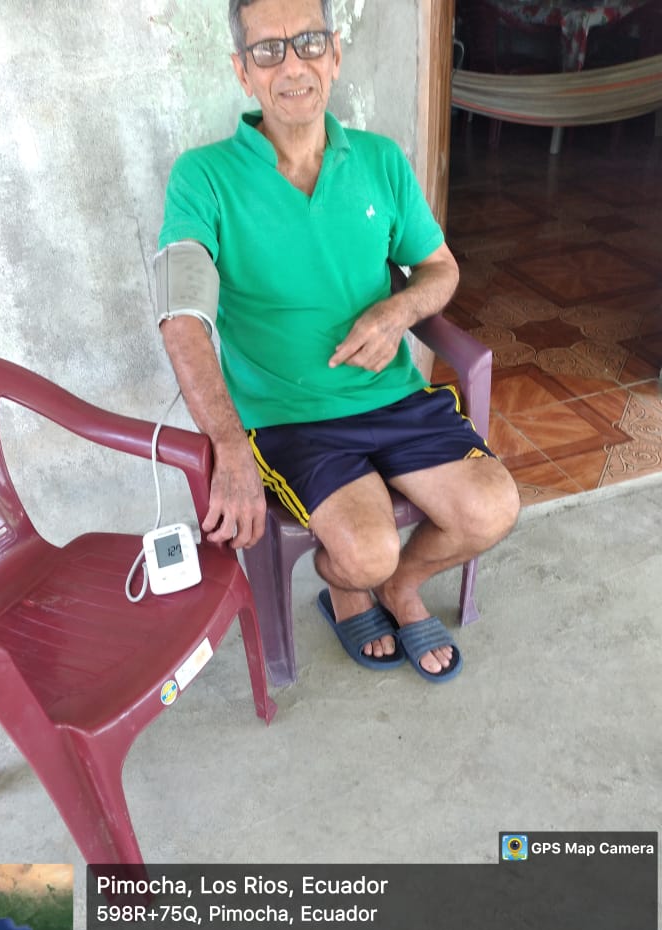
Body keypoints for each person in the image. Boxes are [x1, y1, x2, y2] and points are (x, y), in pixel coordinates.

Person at [156, 0, 520, 682]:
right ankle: (351, 585)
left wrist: (398, 312)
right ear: (242, 72)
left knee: (494, 508)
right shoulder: (202, 177)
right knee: (365, 550)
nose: (292, 65)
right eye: (268, 51)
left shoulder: (381, 160)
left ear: (335, 55)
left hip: (394, 397)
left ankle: (400, 587)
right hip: (290, 419)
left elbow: (440, 269)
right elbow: (181, 318)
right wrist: (228, 446)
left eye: (309, 43)